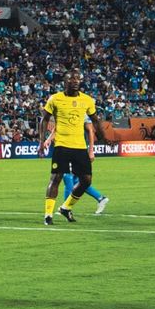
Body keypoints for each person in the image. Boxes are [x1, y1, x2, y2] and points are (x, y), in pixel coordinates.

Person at [41, 71, 98, 226]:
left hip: (79, 147)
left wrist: (91, 149)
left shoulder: (86, 101)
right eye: (72, 78)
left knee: (86, 180)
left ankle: (66, 207)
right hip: (62, 146)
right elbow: (49, 121)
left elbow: (90, 128)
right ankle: (48, 215)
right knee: (56, 178)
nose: (75, 81)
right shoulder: (56, 99)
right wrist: (45, 141)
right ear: (64, 82)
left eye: (78, 78)